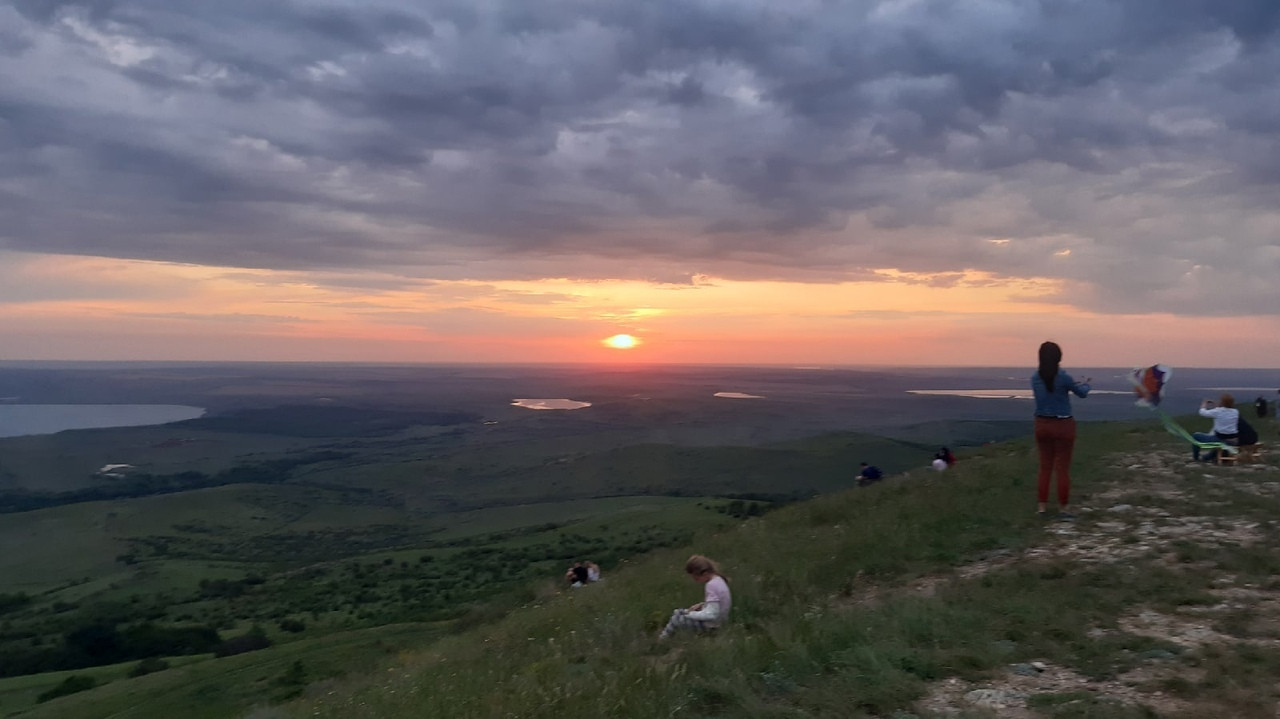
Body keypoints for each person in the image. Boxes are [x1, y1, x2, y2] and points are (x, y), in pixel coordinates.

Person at [1031, 341, 1090, 521]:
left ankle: (1041, 508)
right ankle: (1063, 509)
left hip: (1042, 425)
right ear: (1059, 357)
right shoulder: (1064, 377)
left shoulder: (1035, 378)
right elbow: (1081, 393)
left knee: (1045, 468)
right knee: (1062, 469)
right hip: (1063, 425)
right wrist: (1086, 384)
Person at [658, 555, 731, 640]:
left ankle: (662, 641)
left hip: (712, 625)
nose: (695, 580)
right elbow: (718, 603)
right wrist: (702, 605)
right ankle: (664, 638)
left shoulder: (711, 585)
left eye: (696, 578)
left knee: (676, 619)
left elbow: (712, 615)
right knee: (677, 612)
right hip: (720, 621)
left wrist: (690, 614)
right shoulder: (719, 580)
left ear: (705, 573)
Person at [1192, 394, 1239, 462]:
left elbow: (1202, 412)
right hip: (1233, 440)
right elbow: (1224, 411)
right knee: (1212, 452)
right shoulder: (1235, 412)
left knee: (1196, 436)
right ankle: (1207, 458)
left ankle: (1196, 458)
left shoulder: (1218, 411)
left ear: (1222, 402)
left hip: (1220, 439)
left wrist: (1204, 404)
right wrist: (1217, 405)